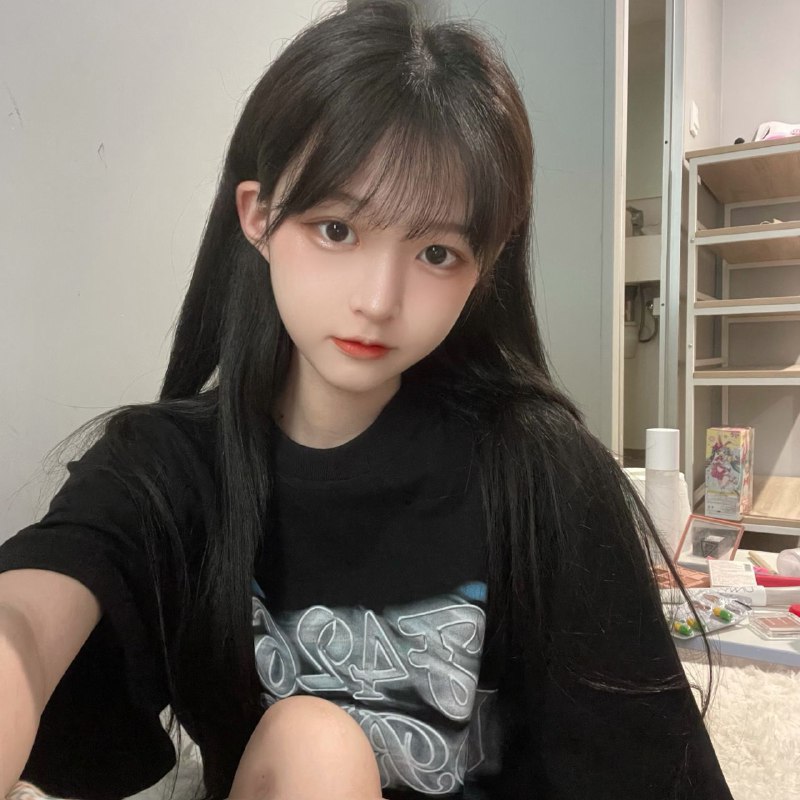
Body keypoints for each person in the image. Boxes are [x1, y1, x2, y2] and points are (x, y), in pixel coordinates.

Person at [0, 2, 732, 799]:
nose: (379, 300)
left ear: (484, 265)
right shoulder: (168, 469)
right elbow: (27, 619)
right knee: (311, 745)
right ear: (259, 215)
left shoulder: (538, 472)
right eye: (337, 230)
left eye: (436, 251)